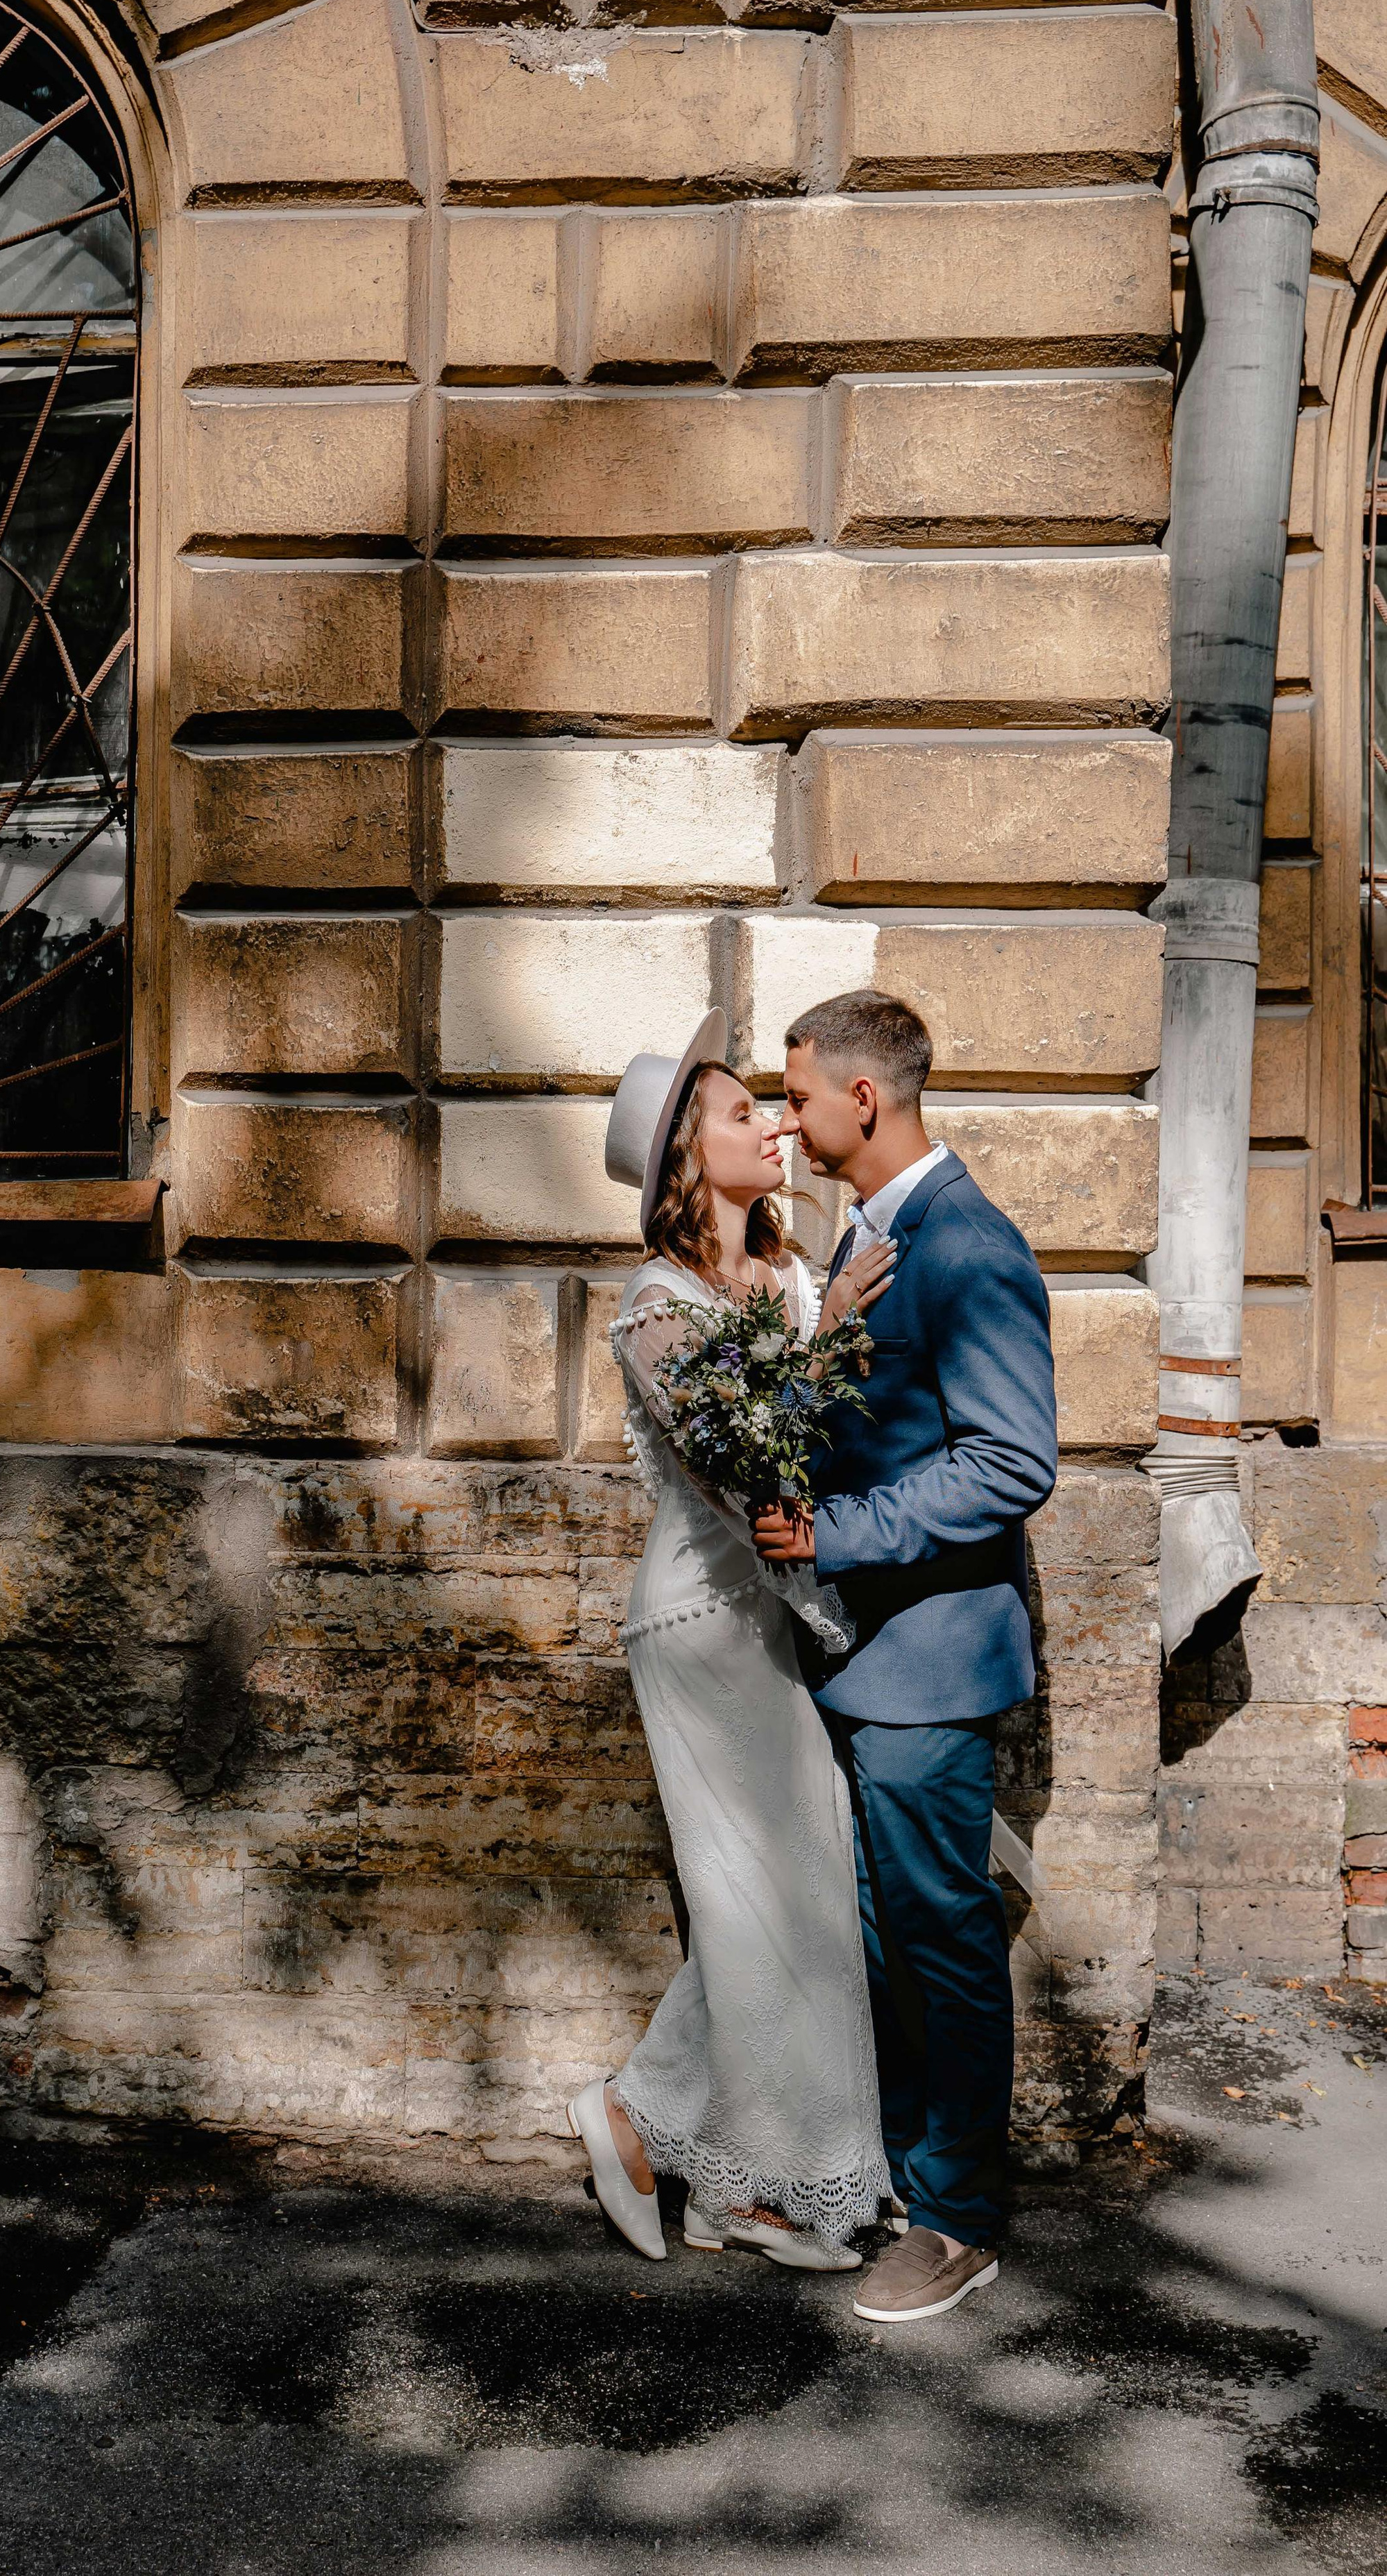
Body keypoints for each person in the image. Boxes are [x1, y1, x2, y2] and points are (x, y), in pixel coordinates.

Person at [564, 1007, 896, 2271]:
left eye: (767, 1103)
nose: (770, 1123)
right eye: (740, 1112)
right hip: (699, 1623)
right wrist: (834, 1338)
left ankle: (663, 2133)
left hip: (768, 1615)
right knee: (760, 1899)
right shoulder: (656, 1305)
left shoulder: (797, 1276)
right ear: (686, 1165)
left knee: (788, 1895)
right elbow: (736, 1468)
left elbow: (818, 1444)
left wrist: (830, 1322)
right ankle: (743, 2191)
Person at [755, 990, 1057, 2326]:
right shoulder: (876, 1236)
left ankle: (957, 2221)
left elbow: (1012, 1461)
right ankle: (897, 2174)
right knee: (885, 1938)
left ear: (862, 1101)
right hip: (871, 1664)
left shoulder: (969, 1245)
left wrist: (833, 1532)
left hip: (930, 1666)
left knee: (941, 1940)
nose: (787, 1117)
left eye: (798, 1093)